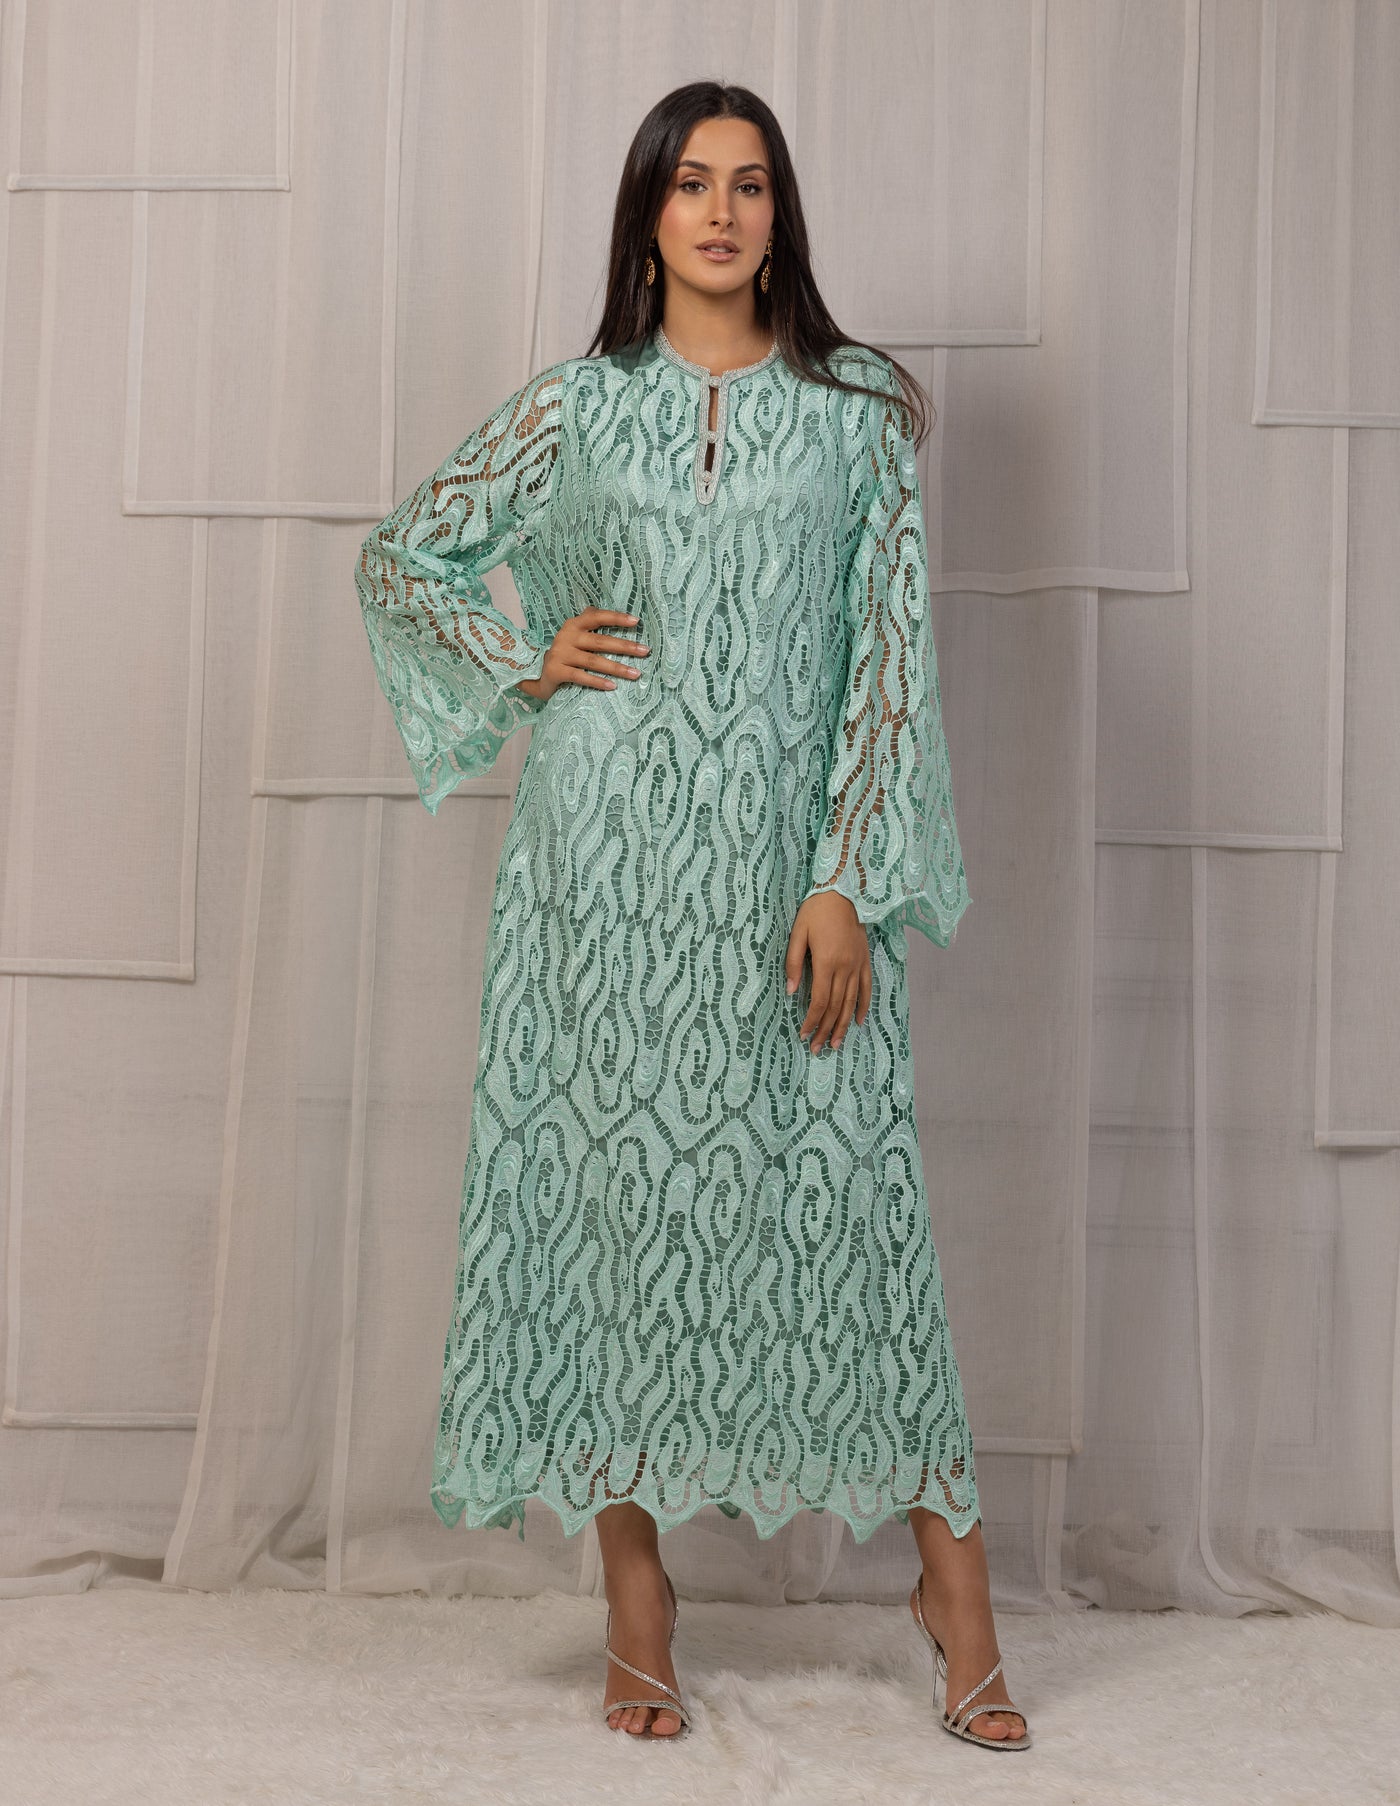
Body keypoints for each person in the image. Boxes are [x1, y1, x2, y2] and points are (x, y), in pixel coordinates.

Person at [353, 80, 1030, 1753]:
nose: (721, 213)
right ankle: (636, 1599)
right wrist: (527, 663)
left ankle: (955, 1596)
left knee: (855, 1216)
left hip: (789, 876)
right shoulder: (578, 405)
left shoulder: (858, 412)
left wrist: (844, 875)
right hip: (600, 873)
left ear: (780, 219)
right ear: (646, 219)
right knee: (613, 1212)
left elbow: (886, 659)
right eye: (690, 185)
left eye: (749, 186)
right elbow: (404, 557)